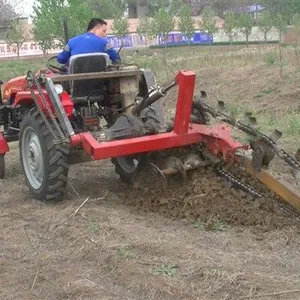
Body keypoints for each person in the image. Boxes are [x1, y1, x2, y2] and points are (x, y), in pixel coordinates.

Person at [57, 18, 121, 65]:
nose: (105, 35)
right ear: (96, 29)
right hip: (100, 80)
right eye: (103, 31)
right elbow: (116, 59)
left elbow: (61, 59)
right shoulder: (104, 43)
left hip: (76, 81)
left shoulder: (71, 42)